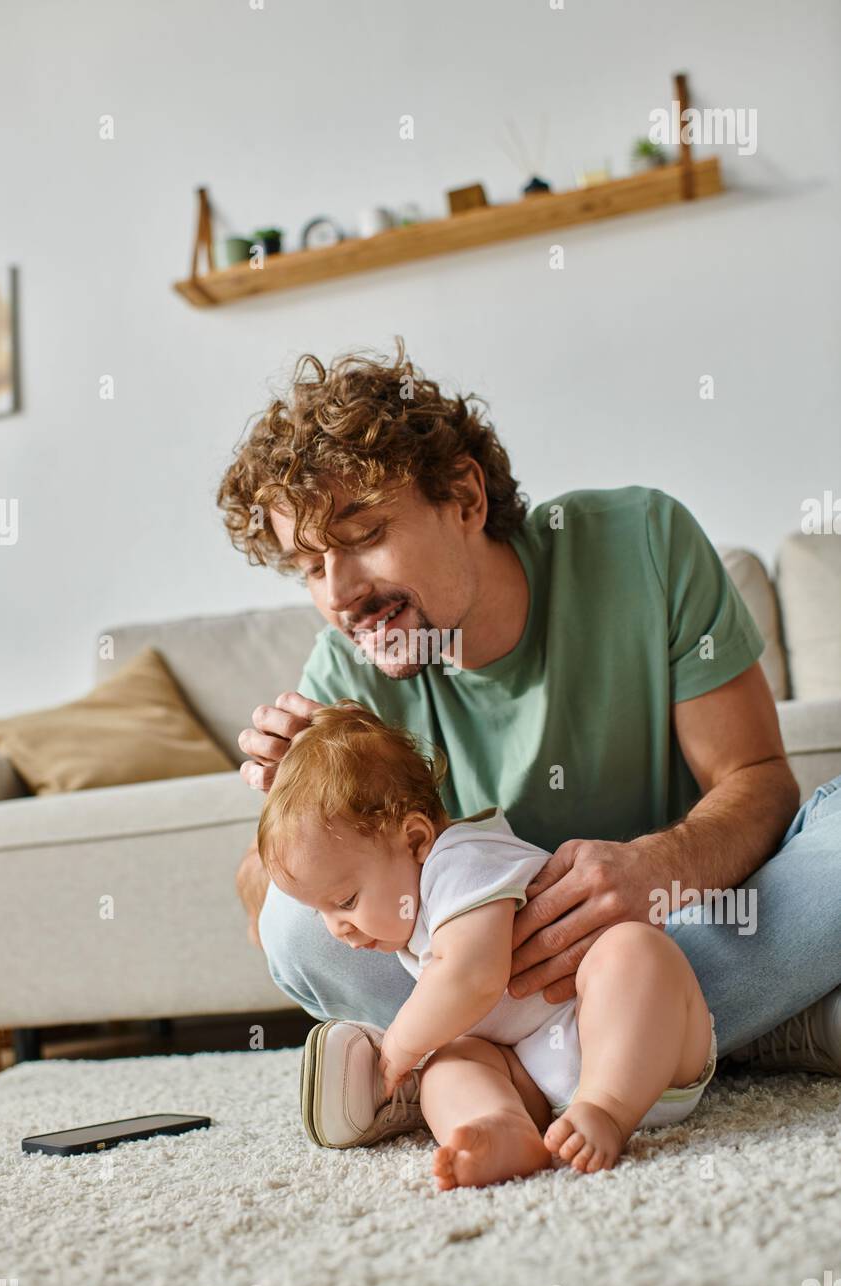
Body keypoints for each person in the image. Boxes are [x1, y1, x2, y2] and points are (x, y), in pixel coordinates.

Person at [217, 339, 841, 1146]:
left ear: (466, 498)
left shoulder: (644, 541)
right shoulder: (348, 667)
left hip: (682, 925)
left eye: (364, 534)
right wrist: (288, 813)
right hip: (498, 987)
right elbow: (272, 904)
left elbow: (759, 780)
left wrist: (662, 868)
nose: (338, 595)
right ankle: (733, 1032)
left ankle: (477, 1066)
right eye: (309, 566)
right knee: (296, 927)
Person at [257, 700, 718, 1187]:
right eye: (321, 912)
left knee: (632, 950)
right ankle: (501, 1126)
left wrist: (397, 1048)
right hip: (542, 1074)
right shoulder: (408, 903)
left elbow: (472, 978)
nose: (338, 928)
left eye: (346, 900)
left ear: (414, 839)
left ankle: (606, 1109)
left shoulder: (460, 860)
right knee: (453, 1061)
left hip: (646, 1051)